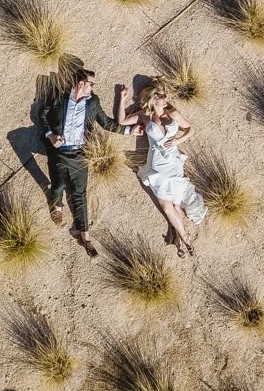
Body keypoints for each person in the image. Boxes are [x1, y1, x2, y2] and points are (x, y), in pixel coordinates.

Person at [37, 67, 140, 257]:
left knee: (79, 193)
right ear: (81, 83)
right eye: (91, 84)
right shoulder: (59, 96)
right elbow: (42, 115)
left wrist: (129, 131)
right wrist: (50, 135)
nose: (93, 88)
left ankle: (85, 234)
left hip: (80, 154)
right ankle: (57, 205)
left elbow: (106, 123)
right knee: (58, 185)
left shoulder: (93, 102)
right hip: (58, 151)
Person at [118, 78, 207, 258]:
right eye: (162, 95)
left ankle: (180, 239)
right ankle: (184, 236)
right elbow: (121, 121)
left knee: (174, 202)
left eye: (166, 95)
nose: (166, 98)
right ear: (153, 98)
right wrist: (122, 99)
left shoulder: (171, 112)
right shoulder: (144, 115)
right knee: (167, 206)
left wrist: (177, 140)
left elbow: (190, 129)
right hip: (157, 162)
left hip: (173, 160)